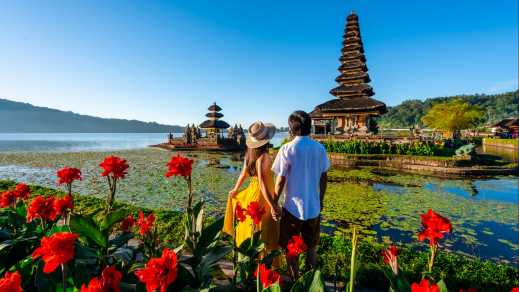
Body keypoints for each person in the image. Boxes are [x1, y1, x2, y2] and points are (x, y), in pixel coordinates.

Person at [271, 110, 329, 280]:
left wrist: (274, 201)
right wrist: (321, 199)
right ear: (309, 127)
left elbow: (280, 180)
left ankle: (295, 280)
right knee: (311, 247)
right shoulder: (319, 148)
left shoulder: (287, 149)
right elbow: (324, 178)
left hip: (292, 209)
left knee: (291, 247)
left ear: (291, 129)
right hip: (313, 207)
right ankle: (312, 282)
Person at [223, 121, 280, 256]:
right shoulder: (264, 157)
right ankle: (261, 261)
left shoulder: (249, 155)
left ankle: (248, 256)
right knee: (264, 229)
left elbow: (243, 173)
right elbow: (262, 183)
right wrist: (273, 204)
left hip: (251, 192)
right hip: (262, 195)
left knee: (251, 226)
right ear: (266, 140)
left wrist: (236, 189)